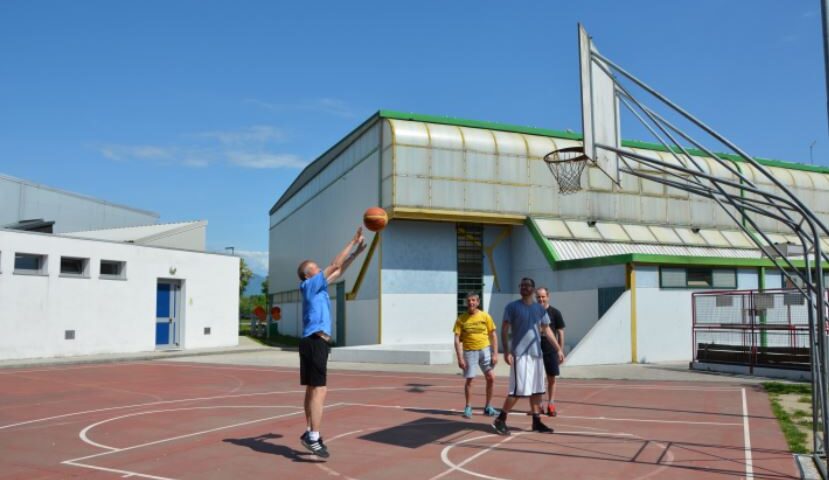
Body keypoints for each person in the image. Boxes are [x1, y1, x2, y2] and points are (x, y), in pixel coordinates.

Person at [296, 227, 367, 458]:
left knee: (311, 389)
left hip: (311, 342)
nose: (320, 270)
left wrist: (356, 254)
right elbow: (335, 264)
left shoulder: (317, 287)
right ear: (309, 275)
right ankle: (314, 437)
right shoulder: (309, 285)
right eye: (316, 268)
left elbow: (340, 270)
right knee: (320, 390)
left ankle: (309, 431)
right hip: (315, 342)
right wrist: (352, 241)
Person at [492, 277, 565, 436]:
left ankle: (536, 422)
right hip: (520, 355)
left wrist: (558, 349)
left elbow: (547, 330)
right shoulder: (512, 307)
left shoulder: (539, 309)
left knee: (537, 391)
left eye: (527, 285)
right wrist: (506, 350)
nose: (524, 287)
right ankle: (500, 419)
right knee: (518, 391)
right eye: (522, 285)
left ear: (533, 288)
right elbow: (504, 330)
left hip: (536, 355)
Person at [452, 292, 499, 418]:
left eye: (473, 300)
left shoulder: (485, 316)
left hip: (485, 350)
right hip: (469, 352)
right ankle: (468, 407)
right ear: (466, 302)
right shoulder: (461, 319)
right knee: (470, 380)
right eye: (469, 300)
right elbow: (456, 339)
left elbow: (493, 335)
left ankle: (488, 407)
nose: (471, 303)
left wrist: (495, 354)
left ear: (478, 302)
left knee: (491, 377)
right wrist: (460, 358)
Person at [535, 287, 566, 417]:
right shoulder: (532, 312)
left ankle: (551, 404)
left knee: (551, 378)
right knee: (537, 378)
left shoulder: (555, 313)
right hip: (535, 349)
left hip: (550, 349)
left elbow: (560, 332)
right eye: (538, 297)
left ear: (548, 297)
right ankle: (539, 404)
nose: (541, 299)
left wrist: (560, 350)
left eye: (543, 297)